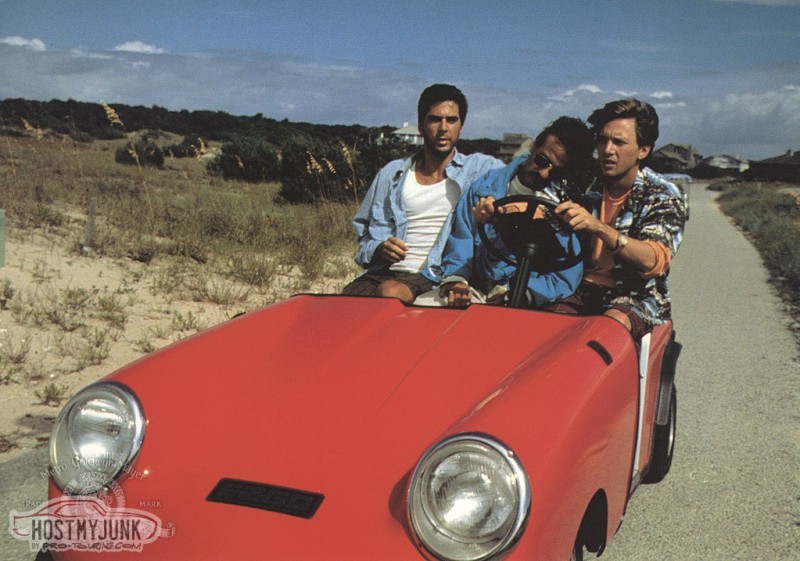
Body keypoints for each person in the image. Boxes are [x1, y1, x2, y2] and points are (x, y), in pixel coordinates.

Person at [342, 84, 503, 303]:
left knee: (390, 294)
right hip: (384, 271)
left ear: (461, 127)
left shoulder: (481, 169)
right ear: (421, 126)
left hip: (437, 273)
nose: (443, 128)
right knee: (340, 305)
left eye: (451, 120)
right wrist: (379, 248)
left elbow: (524, 176)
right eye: (435, 119)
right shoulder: (392, 173)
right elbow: (363, 235)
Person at [551, 99, 687, 338]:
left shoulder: (662, 194)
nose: (607, 150)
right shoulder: (586, 180)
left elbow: (653, 259)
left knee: (605, 332)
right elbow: (544, 195)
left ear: (643, 150)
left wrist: (598, 227)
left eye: (619, 142)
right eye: (603, 140)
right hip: (578, 288)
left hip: (635, 296)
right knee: (543, 328)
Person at [430, 116, 593, 308]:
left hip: (523, 297)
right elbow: (461, 238)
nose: (544, 174)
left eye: (556, 172)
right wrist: (457, 279)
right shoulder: (484, 186)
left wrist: (525, 293)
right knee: (427, 308)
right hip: (472, 287)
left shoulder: (565, 209)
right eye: (542, 160)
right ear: (533, 147)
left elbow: (565, 274)